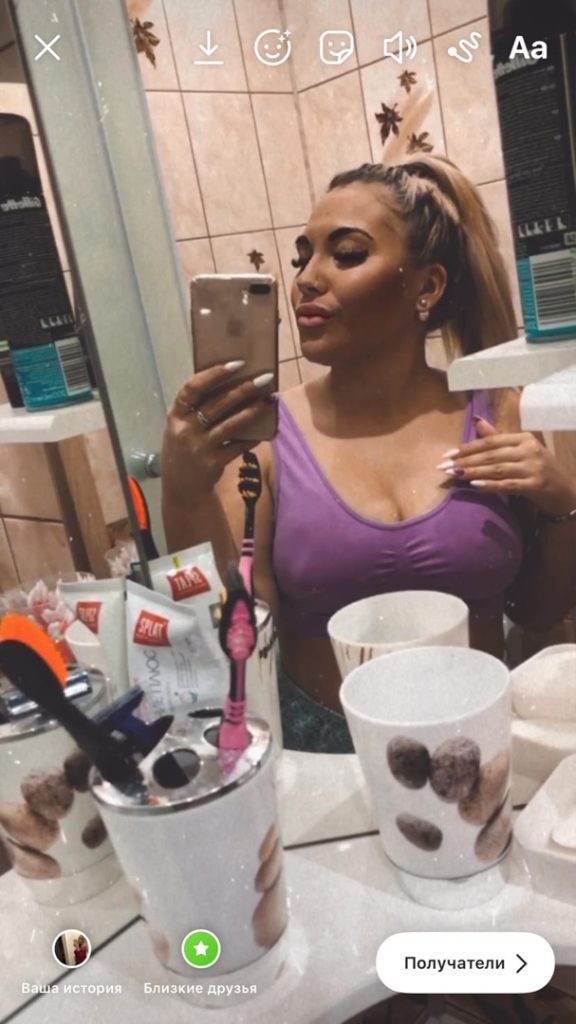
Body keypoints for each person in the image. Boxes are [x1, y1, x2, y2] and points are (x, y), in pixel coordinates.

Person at [162, 156, 576, 753]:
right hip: (328, 756)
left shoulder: (496, 411)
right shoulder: (264, 440)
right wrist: (183, 493)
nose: (307, 278)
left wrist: (564, 504)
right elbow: (235, 642)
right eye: (303, 256)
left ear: (427, 286)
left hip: (484, 738)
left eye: (347, 254)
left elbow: (538, 611)